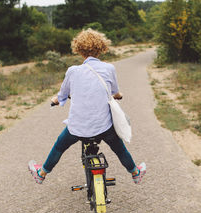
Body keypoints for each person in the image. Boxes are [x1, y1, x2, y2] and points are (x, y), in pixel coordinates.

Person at [28, 29, 146, 185]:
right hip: (104, 127)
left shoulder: (73, 71)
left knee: (59, 147)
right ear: (102, 47)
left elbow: (62, 95)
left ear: (79, 49)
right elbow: (115, 92)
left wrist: (56, 100)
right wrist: (118, 95)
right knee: (120, 149)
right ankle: (135, 173)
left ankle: (41, 174)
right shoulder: (109, 68)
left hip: (77, 127)